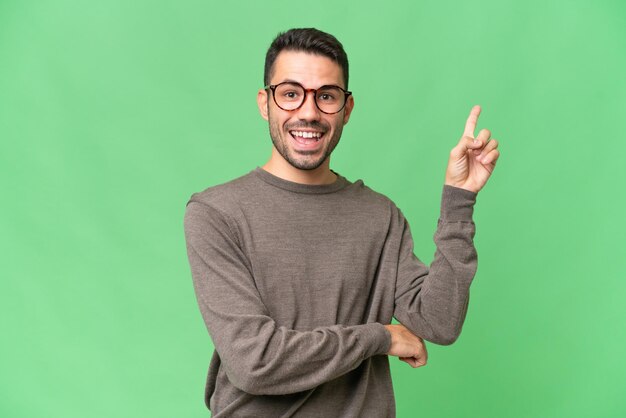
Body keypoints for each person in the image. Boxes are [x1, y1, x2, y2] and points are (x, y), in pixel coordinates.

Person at [184, 28, 500, 417]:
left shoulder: (379, 215)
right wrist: (380, 337)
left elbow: (439, 322)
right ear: (265, 103)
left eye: (326, 96)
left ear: (346, 110)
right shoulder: (216, 213)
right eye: (290, 93)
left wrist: (459, 199)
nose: (309, 112)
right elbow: (255, 362)